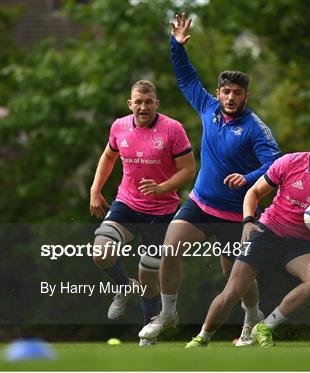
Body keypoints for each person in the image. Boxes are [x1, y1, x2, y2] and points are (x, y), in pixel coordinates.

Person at [138, 13, 281, 346]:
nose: (231, 97)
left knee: (235, 278)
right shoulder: (208, 107)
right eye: (226, 91)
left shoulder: (256, 129)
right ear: (218, 92)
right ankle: (168, 313)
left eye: (238, 93)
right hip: (201, 205)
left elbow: (274, 164)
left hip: (235, 215)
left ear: (246, 96)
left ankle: (252, 316)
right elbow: (186, 78)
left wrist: (247, 177)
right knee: (169, 249)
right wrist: (176, 45)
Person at [184, 116, 310, 348]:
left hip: (301, 243)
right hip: (269, 230)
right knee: (233, 291)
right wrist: (248, 221)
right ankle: (202, 338)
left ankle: (265, 326)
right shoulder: (289, 163)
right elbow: (253, 193)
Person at [90, 80, 196, 346]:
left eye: (148, 102)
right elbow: (108, 156)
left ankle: (148, 334)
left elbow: (188, 170)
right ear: (130, 104)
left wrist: (162, 188)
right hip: (126, 203)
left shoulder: (173, 129)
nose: (143, 107)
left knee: (149, 275)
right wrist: (95, 190)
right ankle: (124, 286)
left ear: (156, 104)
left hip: (162, 212)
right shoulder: (119, 127)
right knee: (101, 251)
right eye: (138, 102)